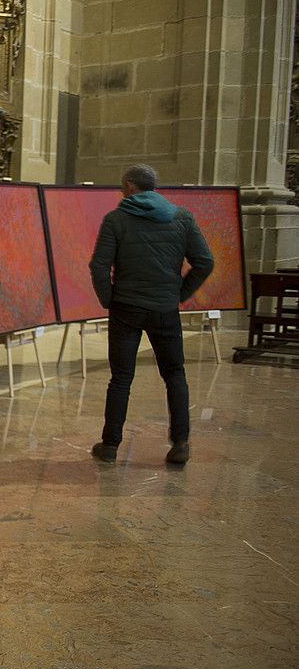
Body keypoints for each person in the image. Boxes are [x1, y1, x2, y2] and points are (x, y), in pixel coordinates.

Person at [88, 164, 214, 465]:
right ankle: (181, 443)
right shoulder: (182, 218)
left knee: (121, 378)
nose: (120, 191)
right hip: (164, 310)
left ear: (131, 186)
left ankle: (109, 446)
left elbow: (98, 266)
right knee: (174, 374)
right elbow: (205, 261)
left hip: (126, 308)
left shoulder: (116, 220)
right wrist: (179, 293)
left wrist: (110, 300)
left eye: (122, 185)